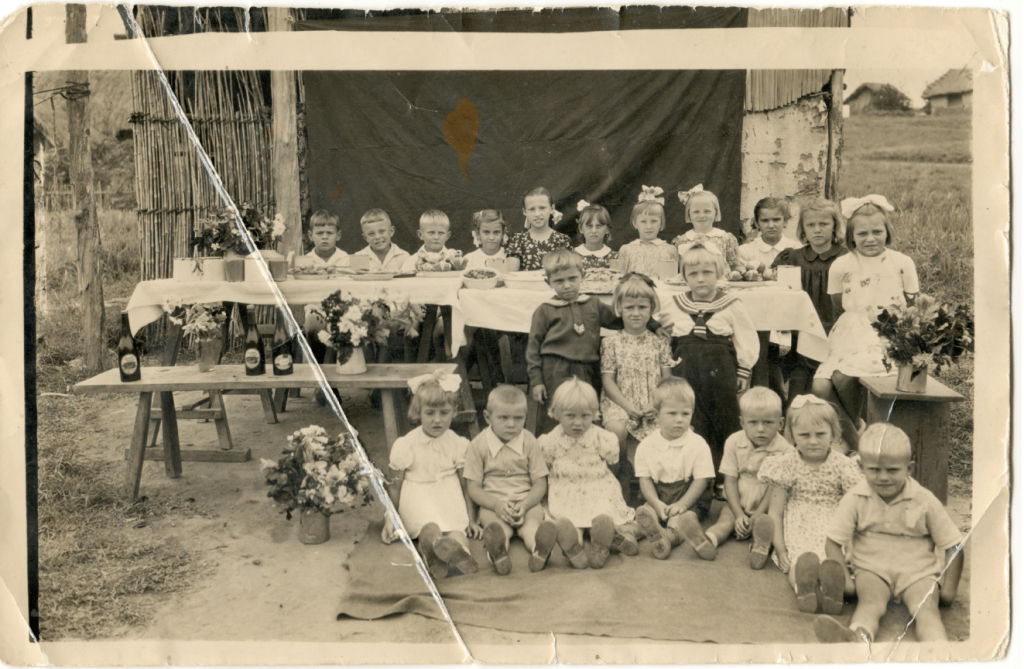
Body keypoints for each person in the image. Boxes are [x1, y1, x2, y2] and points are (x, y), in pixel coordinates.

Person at [816, 424, 965, 643]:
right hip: (872, 568)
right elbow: (833, 542)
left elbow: (954, 545)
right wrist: (847, 582)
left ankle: (938, 652)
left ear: (909, 468)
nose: (883, 477)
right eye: (874, 470)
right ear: (861, 466)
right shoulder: (855, 499)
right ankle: (857, 639)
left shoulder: (924, 499)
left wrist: (949, 591)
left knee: (926, 611)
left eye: (892, 470)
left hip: (918, 572)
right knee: (869, 605)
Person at [811, 195, 919, 435]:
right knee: (820, 386)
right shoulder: (842, 264)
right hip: (851, 331)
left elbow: (913, 303)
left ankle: (856, 439)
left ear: (887, 232)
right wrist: (860, 316)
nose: (870, 239)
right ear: (851, 237)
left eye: (877, 232)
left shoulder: (902, 262)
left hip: (889, 332)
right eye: (862, 234)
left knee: (842, 379)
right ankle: (857, 432)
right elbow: (839, 303)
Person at [526, 249, 662, 421]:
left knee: (586, 412)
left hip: (587, 369)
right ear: (548, 282)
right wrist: (537, 381)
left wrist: (654, 325)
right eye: (559, 281)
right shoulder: (544, 310)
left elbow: (624, 319)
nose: (567, 285)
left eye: (572, 278)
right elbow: (533, 348)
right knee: (558, 413)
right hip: (555, 370)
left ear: (582, 275)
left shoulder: (593, 304)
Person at [757, 395, 863, 614]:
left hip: (833, 521)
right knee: (800, 560)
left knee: (835, 561)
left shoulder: (842, 465)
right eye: (804, 435)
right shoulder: (786, 464)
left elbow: (854, 508)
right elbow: (775, 512)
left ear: (834, 434)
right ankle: (804, 590)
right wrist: (780, 547)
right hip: (799, 521)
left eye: (820, 434)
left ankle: (831, 593)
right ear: (793, 435)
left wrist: (854, 540)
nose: (812, 441)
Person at [659, 243, 758, 471]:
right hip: (686, 373)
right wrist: (658, 330)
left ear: (719, 273)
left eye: (707, 273)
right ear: (684, 277)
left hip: (720, 373)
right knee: (692, 418)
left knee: (723, 419)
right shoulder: (674, 305)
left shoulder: (731, 304)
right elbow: (656, 324)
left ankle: (724, 475)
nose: (700, 279)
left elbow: (747, 338)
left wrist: (743, 370)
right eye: (693, 274)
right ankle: (693, 473)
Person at [381, 373, 480, 580]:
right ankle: (431, 555)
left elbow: (465, 485)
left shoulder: (458, 443)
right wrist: (390, 520)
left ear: (454, 412)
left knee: (457, 532)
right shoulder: (406, 444)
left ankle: (462, 555)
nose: (437, 420)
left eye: (444, 413)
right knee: (429, 529)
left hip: (448, 496)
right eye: (430, 413)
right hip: (418, 498)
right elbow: (395, 487)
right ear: (418, 412)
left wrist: (471, 518)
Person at [538, 378, 640, 570]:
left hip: (597, 488)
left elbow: (612, 464)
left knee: (602, 519)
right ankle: (573, 548)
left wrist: (607, 484)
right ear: (557, 413)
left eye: (585, 416)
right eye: (570, 416)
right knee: (568, 525)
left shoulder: (601, 436)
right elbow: (546, 467)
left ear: (594, 414)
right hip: (566, 492)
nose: (578, 423)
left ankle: (601, 543)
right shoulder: (550, 440)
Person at [464, 385, 555, 575]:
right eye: (503, 418)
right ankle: (498, 553)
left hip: (526, 501)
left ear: (525, 417)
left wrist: (526, 503)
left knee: (531, 527)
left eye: (518, 418)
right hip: (493, 503)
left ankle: (539, 552)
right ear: (488, 417)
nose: (511, 424)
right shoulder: (478, 445)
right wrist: (496, 505)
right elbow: (473, 487)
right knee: (497, 530)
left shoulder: (529, 441)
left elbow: (540, 483)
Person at [599, 273, 674, 499]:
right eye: (629, 307)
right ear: (619, 308)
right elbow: (608, 381)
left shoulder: (659, 341)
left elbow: (666, 379)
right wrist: (627, 406)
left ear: (652, 309)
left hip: (653, 402)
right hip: (620, 401)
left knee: (667, 427)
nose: (635, 313)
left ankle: (652, 484)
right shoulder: (610, 342)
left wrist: (656, 403)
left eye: (642, 307)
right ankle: (621, 475)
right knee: (615, 431)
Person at [771, 198, 849, 406]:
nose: (817, 230)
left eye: (824, 224)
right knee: (799, 390)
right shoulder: (793, 257)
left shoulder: (845, 258)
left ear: (835, 226)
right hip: (802, 334)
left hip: (835, 329)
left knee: (831, 387)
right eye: (811, 225)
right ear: (803, 228)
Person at [704, 387, 793, 568]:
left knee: (767, 525)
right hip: (738, 501)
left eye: (768, 422)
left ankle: (760, 548)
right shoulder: (734, 442)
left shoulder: (785, 450)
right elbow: (730, 481)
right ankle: (708, 540)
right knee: (725, 521)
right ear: (742, 423)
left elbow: (774, 490)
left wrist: (757, 514)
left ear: (781, 423)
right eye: (753, 423)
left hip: (767, 505)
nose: (760, 429)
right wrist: (738, 514)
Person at [633, 377, 717, 560]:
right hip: (659, 495)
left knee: (681, 519)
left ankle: (668, 538)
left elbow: (702, 480)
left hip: (689, 497)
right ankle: (628, 535)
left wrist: (682, 504)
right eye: (672, 414)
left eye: (685, 414)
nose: (679, 420)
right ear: (657, 416)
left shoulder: (698, 444)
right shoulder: (647, 445)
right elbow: (645, 480)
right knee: (647, 512)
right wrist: (656, 503)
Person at [303, 211, 349, 365]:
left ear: (338, 235)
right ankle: (321, 374)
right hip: (315, 309)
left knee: (346, 324)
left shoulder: (347, 259)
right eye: (319, 233)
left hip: (343, 309)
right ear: (310, 235)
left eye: (329, 233)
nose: (324, 237)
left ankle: (335, 377)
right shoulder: (305, 261)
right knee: (313, 323)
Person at [672, 187, 743, 273]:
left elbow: (734, 266)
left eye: (707, 211)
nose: (701, 215)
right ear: (689, 214)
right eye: (696, 212)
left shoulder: (725, 238)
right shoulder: (681, 240)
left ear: (716, 212)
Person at [505, 187, 573, 271]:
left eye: (542, 208)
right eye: (532, 209)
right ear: (524, 211)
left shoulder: (562, 240)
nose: (537, 214)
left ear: (552, 209)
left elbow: (566, 273)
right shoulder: (517, 240)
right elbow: (512, 274)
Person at [618, 187, 679, 278]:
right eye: (643, 221)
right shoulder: (626, 249)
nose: (649, 226)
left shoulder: (670, 250)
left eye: (654, 221)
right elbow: (620, 279)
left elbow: (673, 279)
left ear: (661, 223)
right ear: (635, 223)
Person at [737, 197, 802, 269]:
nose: (771, 226)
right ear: (757, 223)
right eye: (765, 220)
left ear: (785, 221)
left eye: (776, 220)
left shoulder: (797, 249)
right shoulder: (746, 252)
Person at [399, 210, 466, 273]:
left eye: (441, 233)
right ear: (420, 235)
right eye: (431, 232)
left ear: (447, 236)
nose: (436, 237)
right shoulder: (411, 261)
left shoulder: (455, 260)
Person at [573, 202, 619, 270]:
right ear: (581, 229)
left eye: (599, 226)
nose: (594, 231)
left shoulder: (614, 257)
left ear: (607, 229)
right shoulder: (572, 256)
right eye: (589, 226)